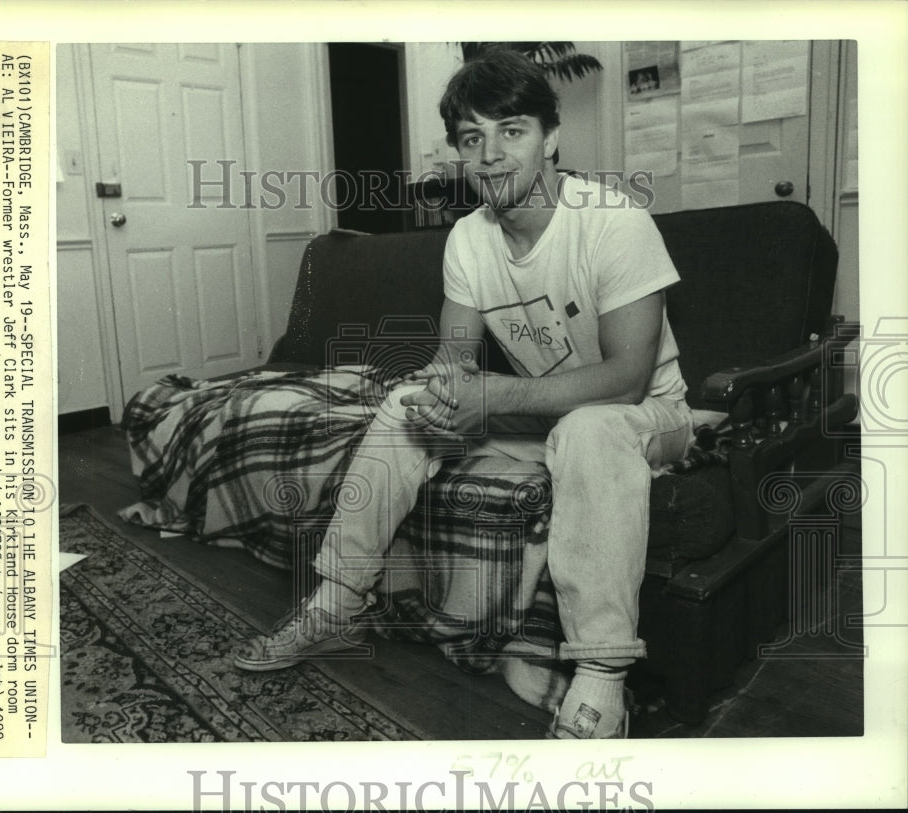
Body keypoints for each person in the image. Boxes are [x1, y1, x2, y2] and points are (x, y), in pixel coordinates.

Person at [235, 48, 693, 740]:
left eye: (512, 130)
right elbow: (453, 363)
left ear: (551, 138)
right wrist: (441, 393)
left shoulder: (613, 221)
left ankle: (602, 677)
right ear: (459, 153)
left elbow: (628, 376)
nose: (492, 154)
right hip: (546, 416)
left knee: (589, 430)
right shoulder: (467, 239)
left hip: (645, 417)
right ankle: (337, 599)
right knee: (403, 407)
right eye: (472, 138)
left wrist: (493, 392)